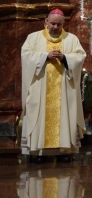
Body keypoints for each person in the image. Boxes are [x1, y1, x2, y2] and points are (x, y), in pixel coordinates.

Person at [20, 9, 87, 162]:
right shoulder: (33, 38)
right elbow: (26, 56)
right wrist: (44, 56)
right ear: (46, 22)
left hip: (64, 89)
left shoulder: (71, 39)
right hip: (40, 88)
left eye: (59, 24)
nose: (55, 27)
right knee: (38, 114)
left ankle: (64, 151)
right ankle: (38, 151)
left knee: (65, 115)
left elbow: (79, 57)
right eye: (52, 23)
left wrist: (65, 58)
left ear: (63, 24)